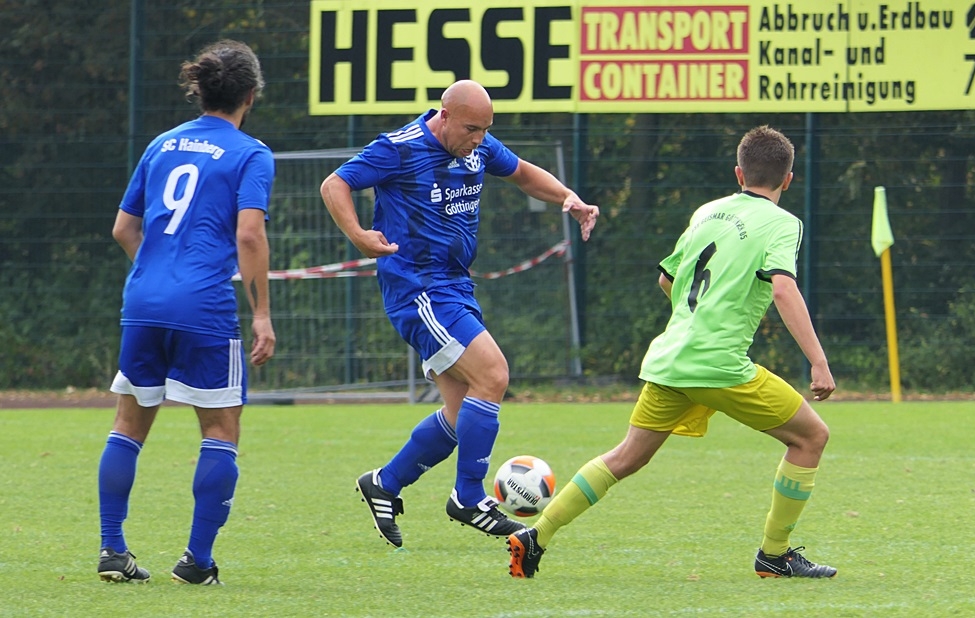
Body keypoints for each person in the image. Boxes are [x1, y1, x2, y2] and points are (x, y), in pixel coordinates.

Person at [507, 125, 837, 579]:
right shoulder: (783, 223)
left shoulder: (707, 212)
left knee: (626, 457)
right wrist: (818, 362)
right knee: (811, 437)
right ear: (789, 179)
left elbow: (668, 279)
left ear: (739, 173)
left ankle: (536, 534)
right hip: (719, 363)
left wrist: (697, 321)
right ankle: (774, 555)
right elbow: (783, 289)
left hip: (671, 358)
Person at [320, 80, 599, 548]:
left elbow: (523, 173)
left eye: (485, 130)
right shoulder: (400, 148)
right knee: (493, 375)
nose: (479, 139)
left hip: (454, 286)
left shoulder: (478, 145)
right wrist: (358, 234)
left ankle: (385, 483)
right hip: (419, 289)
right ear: (444, 116)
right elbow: (335, 184)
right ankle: (468, 497)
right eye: (471, 129)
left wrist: (567, 197)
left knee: (459, 411)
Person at [96, 40, 276, 585]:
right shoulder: (251, 153)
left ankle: (112, 549)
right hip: (203, 306)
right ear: (250, 95)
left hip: (142, 301)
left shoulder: (162, 144)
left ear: (201, 90)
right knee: (220, 428)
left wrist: (159, 273)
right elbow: (250, 234)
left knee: (128, 423)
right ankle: (197, 562)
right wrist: (262, 314)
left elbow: (123, 229)